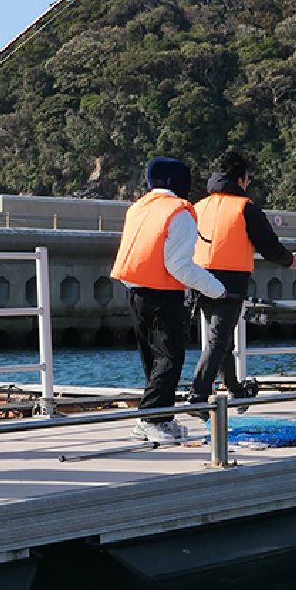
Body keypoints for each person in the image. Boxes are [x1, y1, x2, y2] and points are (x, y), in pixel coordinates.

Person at [111, 157, 226, 442]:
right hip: (164, 294)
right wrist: (216, 288)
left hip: (134, 290)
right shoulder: (179, 212)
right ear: (177, 182)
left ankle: (162, 416)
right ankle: (149, 419)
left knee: (152, 358)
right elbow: (179, 265)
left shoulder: (138, 207)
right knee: (170, 357)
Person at [188, 151, 296, 415]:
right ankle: (198, 397)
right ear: (241, 181)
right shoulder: (245, 208)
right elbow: (269, 247)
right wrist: (292, 261)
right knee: (218, 341)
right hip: (229, 283)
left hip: (197, 279)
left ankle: (235, 389)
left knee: (221, 340)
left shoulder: (198, 206)